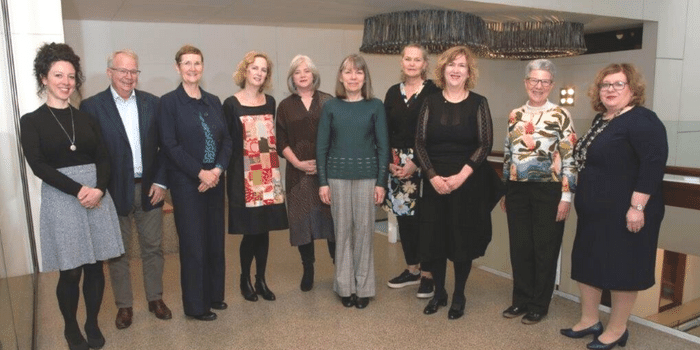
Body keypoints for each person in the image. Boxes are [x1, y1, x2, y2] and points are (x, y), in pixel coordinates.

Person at [20, 42, 124, 350]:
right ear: (43, 78)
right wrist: (79, 190)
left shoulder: (87, 117)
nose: (66, 82)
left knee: (95, 267)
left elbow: (104, 157)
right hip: (63, 198)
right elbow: (38, 165)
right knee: (71, 270)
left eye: (70, 76)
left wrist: (99, 189)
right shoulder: (32, 120)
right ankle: (70, 326)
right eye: (58, 75)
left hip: (96, 195)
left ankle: (92, 322)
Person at [562, 63, 668, 350]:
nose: (610, 89)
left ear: (632, 89)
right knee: (588, 263)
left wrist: (637, 207)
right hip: (595, 213)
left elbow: (652, 165)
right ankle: (589, 320)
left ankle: (618, 329)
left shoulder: (643, 120)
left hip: (626, 212)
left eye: (618, 84)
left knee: (623, 268)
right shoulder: (603, 119)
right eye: (605, 85)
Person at [81, 49, 171, 330]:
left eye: (133, 71)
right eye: (123, 71)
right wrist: (99, 189)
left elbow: (164, 148)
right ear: (110, 73)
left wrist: (161, 181)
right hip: (111, 192)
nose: (129, 76)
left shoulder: (153, 104)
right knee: (117, 252)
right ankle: (124, 306)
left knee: (153, 248)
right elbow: (91, 154)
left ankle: (155, 298)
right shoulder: (92, 107)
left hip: (149, 188)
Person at [415, 46, 496, 320]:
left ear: (469, 72)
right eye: (451, 64)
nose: (456, 69)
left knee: (462, 240)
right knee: (435, 240)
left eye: (462, 65)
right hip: (435, 180)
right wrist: (433, 176)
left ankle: (459, 294)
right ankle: (439, 293)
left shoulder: (479, 103)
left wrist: (461, 176)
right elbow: (419, 143)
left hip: (467, 183)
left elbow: (485, 144)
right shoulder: (430, 102)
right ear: (443, 69)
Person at [156, 45, 232, 321]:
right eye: (186, 63)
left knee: (214, 242)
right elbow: (169, 145)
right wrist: (201, 173)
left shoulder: (213, 100)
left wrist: (217, 170)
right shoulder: (168, 102)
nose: (192, 68)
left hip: (214, 182)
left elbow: (227, 140)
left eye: (197, 63)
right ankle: (196, 306)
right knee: (193, 246)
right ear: (178, 68)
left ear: (203, 67)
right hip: (188, 185)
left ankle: (214, 295)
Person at [500, 59, 577, 325]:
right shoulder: (514, 115)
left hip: (549, 190)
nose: (538, 86)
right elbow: (508, 155)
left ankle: (539, 304)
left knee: (545, 248)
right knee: (519, 247)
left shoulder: (561, 115)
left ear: (552, 85)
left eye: (544, 81)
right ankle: (520, 299)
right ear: (525, 82)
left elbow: (570, 158)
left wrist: (566, 196)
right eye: (534, 80)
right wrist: (505, 191)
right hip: (517, 190)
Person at [316, 54, 389, 309]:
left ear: (364, 77)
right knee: (342, 233)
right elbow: (322, 147)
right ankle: (345, 287)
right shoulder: (331, 107)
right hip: (336, 178)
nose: (353, 77)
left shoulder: (375, 106)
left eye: (358, 72)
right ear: (340, 76)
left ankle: (364, 287)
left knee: (364, 234)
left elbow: (383, 147)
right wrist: (322, 182)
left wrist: (381, 182)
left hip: (368, 179)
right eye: (348, 72)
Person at [225, 51, 288, 302]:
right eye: (255, 68)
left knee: (264, 231)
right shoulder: (231, 103)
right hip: (243, 177)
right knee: (250, 231)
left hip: (266, 172)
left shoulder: (270, 102)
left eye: (264, 69)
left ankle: (261, 279)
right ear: (245, 71)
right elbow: (228, 143)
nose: (259, 73)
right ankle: (245, 279)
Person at [383, 44, 440, 298]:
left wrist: (416, 162)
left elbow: (436, 132)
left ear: (425, 64)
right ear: (402, 62)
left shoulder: (434, 92)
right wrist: (389, 161)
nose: (412, 63)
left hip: (425, 162)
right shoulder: (393, 92)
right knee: (405, 219)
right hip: (396, 164)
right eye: (408, 59)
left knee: (425, 221)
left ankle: (428, 274)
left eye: (418, 59)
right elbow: (384, 131)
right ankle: (412, 269)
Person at [276, 55, 335, 292]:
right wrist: (299, 164)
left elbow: (337, 135)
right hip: (298, 175)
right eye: (297, 72)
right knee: (303, 224)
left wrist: (325, 163)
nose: (302, 75)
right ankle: (308, 268)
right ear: (292, 77)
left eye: (307, 71)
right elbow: (280, 141)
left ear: (314, 75)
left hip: (327, 173)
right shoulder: (285, 106)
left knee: (331, 222)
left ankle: (339, 267)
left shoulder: (329, 101)